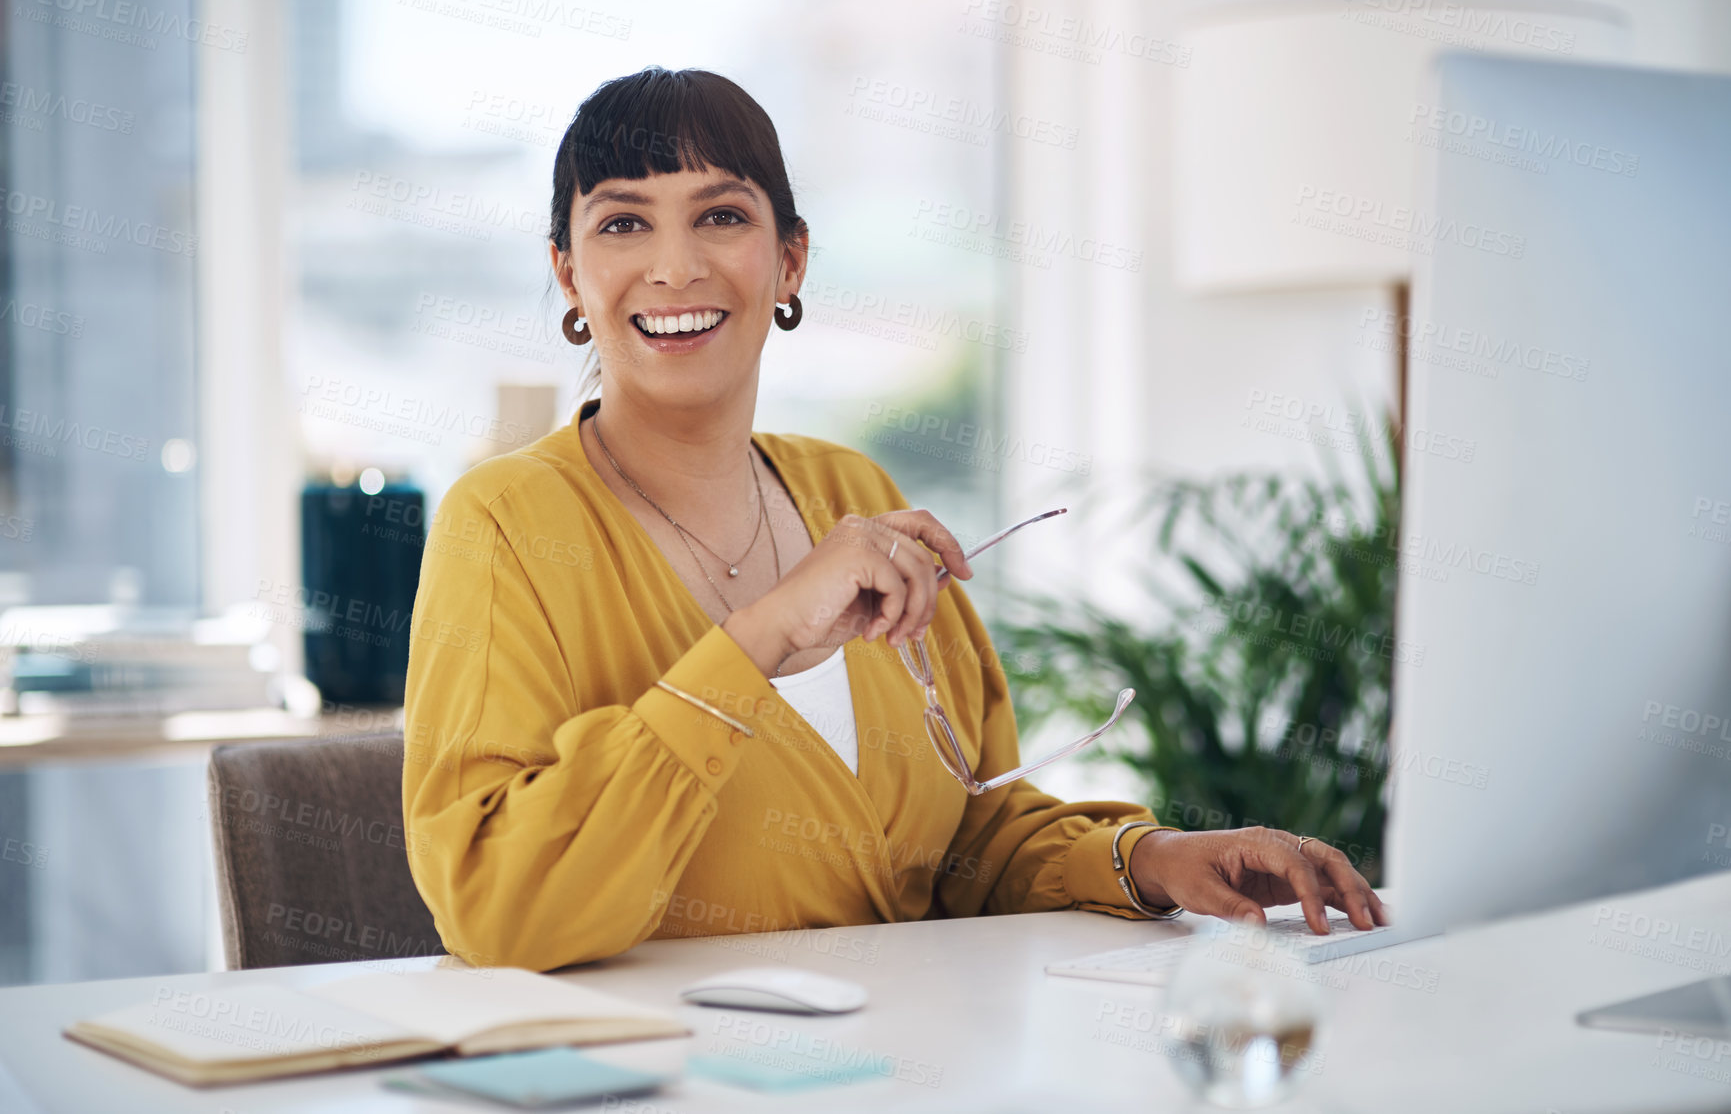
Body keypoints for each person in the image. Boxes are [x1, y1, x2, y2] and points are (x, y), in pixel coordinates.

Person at [401, 66, 1387, 972]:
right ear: (569, 274)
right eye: (622, 224)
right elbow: (500, 906)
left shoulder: (851, 496)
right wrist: (759, 639)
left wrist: (1155, 858)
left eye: (721, 216)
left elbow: (966, 842)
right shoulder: (502, 523)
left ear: (789, 262)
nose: (674, 266)